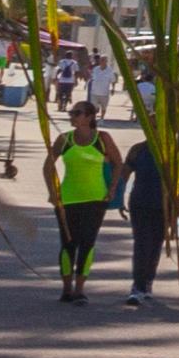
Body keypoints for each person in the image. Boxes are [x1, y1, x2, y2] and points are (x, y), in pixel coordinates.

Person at [49, 110, 115, 302]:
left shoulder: (102, 139)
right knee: (68, 244)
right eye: (72, 113)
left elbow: (119, 163)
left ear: (89, 117)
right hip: (68, 199)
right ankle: (66, 289)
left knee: (87, 243)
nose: (73, 116)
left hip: (96, 199)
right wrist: (53, 192)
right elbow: (48, 166)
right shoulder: (65, 139)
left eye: (78, 113)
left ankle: (79, 290)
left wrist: (111, 190)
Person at [119, 129, 171, 304]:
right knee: (142, 243)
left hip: (164, 204)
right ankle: (138, 286)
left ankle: (148, 281)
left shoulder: (175, 149)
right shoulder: (138, 150)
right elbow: (125, 174)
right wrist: (119, 198)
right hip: (140, 202)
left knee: (156, 243)